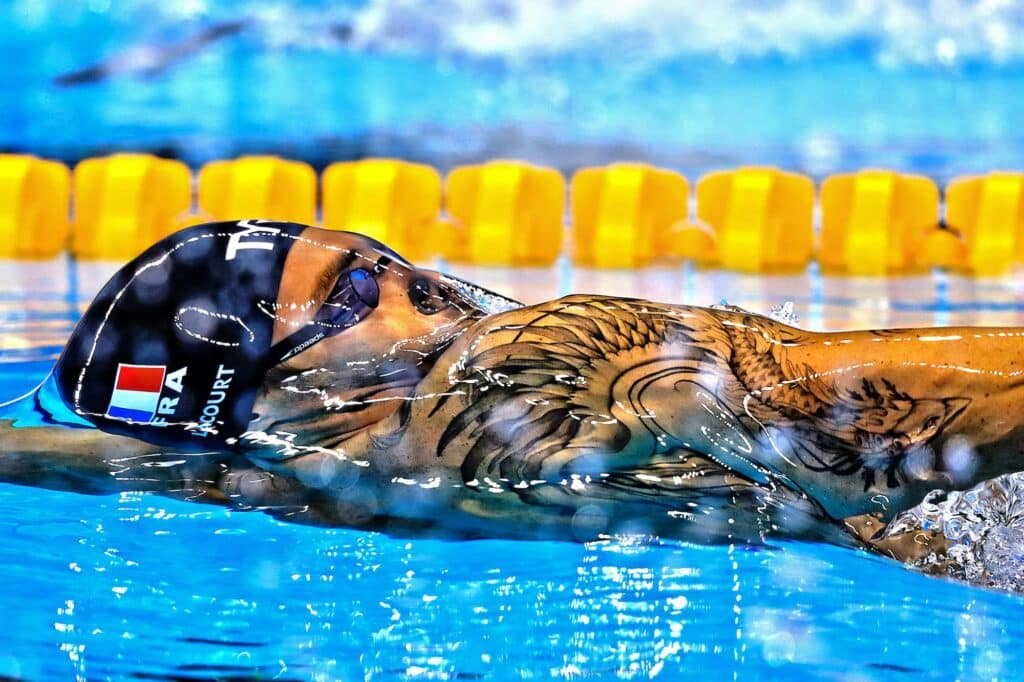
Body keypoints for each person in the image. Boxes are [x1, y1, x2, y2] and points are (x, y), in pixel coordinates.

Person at [0, 220, 1016, 563]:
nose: (420, 283)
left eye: (384, 257)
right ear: (279, 393)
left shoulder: (536, 358)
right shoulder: (293, 467)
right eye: (355, 290)